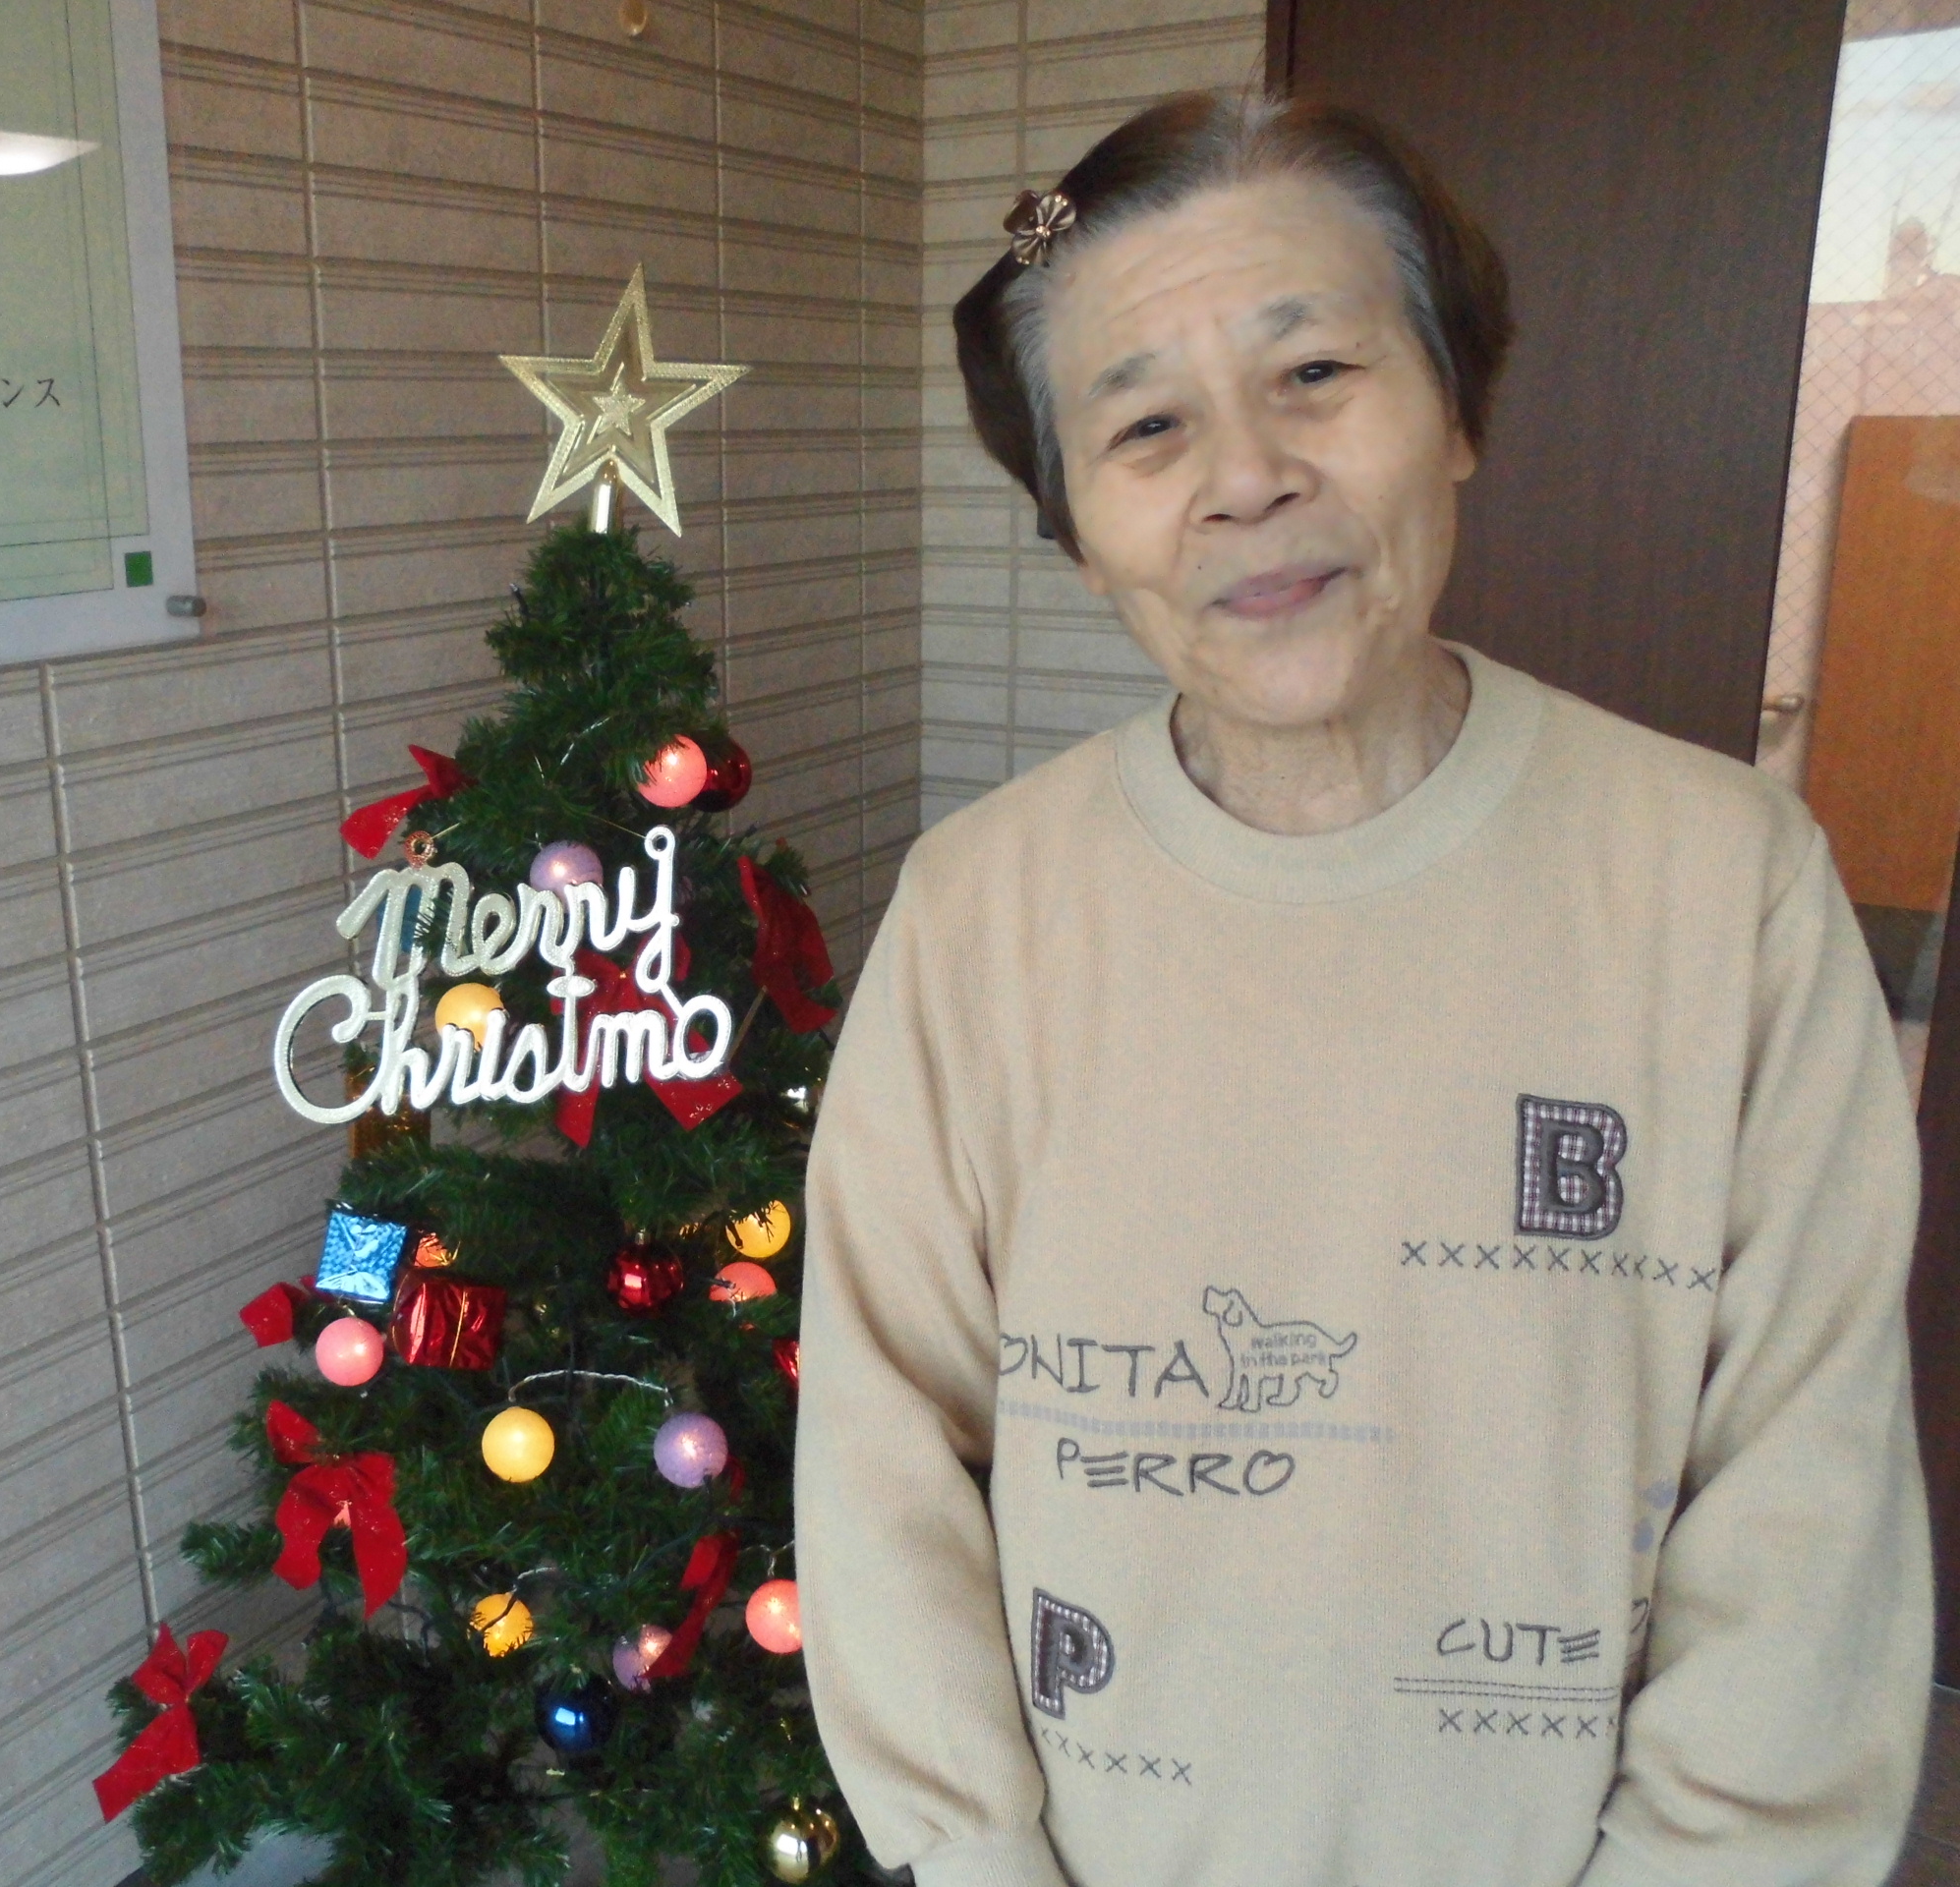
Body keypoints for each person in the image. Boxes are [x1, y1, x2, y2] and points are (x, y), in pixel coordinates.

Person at [794, 89, 1930, 1887]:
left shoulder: (1731, 887)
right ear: (1075, 526)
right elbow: (884, 1469)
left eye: (1315, 371)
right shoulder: (976, 913)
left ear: (1457, 411)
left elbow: (1807, 1501)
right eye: (1146, 424)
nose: (1248, 476)